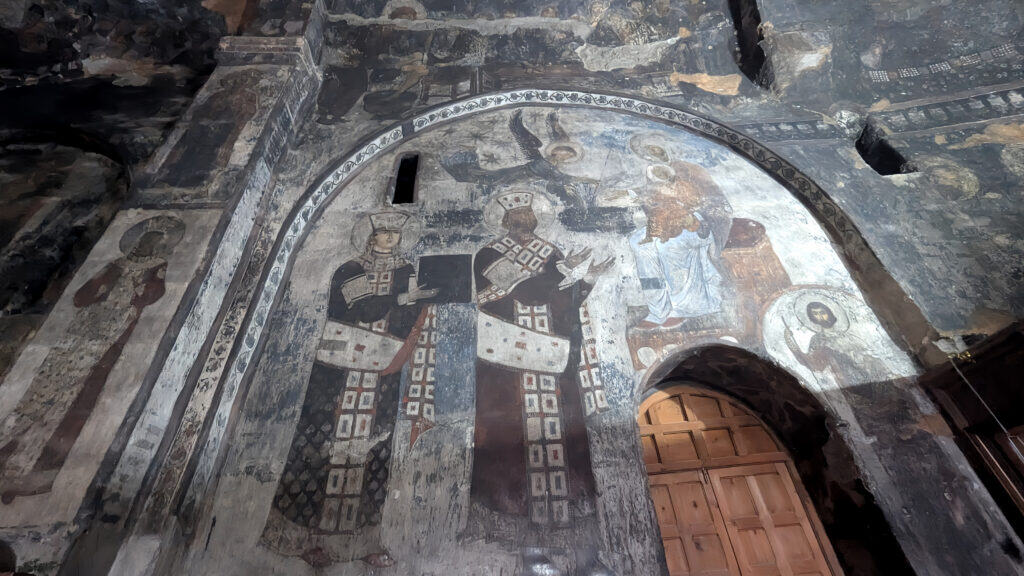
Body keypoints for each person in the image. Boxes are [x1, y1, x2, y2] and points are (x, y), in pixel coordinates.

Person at [262, 210, 437, 565]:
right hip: (338, 373)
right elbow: (361, 308)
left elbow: (408, 319)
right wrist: (403, 299)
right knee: (320, 446)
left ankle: (363, 543)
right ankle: (303, 539)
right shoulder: (350, 268)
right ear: (371, 237)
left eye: (394, 234)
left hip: (382, 374)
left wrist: (419, 300)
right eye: (383, 233)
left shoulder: (406, 273)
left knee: (376, 452)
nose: (389, 239)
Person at [468, 191, 615, 575]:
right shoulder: (487, 254)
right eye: (516, 213)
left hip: (552, 361)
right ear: (505, 220)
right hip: (510, 364)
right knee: (516, 448)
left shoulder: (550, 252)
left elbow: (561, 299)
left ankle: (584, 551)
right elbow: (520, 289)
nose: (524, 218)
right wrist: (564, 275)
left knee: (568, 449)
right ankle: (530, 547)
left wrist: (585, 281)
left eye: (529, 213)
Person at [0, 215, 184, 502]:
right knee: (40, 391)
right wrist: (100, 289)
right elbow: (80, 297)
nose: (147, 245)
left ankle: (36, 474)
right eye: (144, 239)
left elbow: (153, 295)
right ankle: (7, 455)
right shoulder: (117, 264)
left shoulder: (155, 268)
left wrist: (138, 291)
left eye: (153, 241)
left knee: (76, 400)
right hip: (81, 334)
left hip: (110, 337)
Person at [628, 164, 724, 329]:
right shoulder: (653, 189)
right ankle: (658, 309)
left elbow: (703, 210)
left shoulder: (686, 184)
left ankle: (685, 307)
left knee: (669, 247)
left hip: (697, 224)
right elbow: (653, 208)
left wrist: (681, 215)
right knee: (638, 243)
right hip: (666, 222)